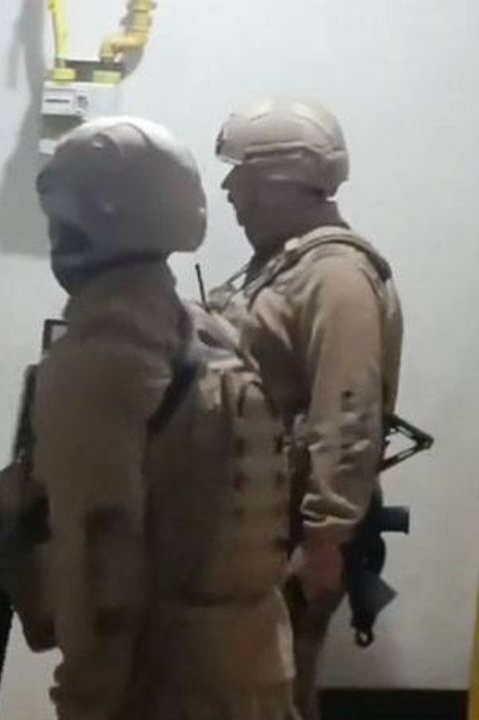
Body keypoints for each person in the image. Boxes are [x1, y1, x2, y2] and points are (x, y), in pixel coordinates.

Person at [31, 116, 295, 719]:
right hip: (257, 667)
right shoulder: (212, 332)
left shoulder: (100, 358)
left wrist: (86, 701)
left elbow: (100, 562)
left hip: (164, 681)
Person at [209, 98, 403, 720]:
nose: (229, 193)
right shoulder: (278, 267)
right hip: (250, 523)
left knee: (276, 693)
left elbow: (347, 413)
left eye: (240, 178)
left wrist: (325, 540)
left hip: (291, 531)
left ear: (277, 180)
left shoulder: (334, 276)